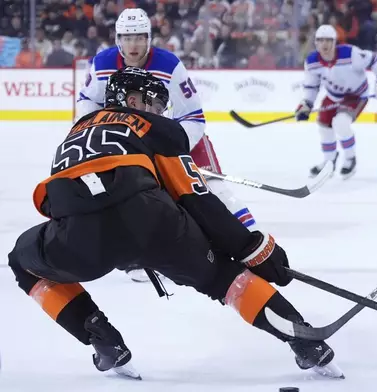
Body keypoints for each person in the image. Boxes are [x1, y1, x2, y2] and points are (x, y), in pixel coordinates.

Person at [8, 67, 342, 380]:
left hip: (79, 237)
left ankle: (100, 336)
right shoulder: (159, 129)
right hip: (152, 223)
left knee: (22, 262)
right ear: (133, 100)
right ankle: (303, 337)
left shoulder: (74, 132)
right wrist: (253, 249)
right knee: (223, 277)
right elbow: (195, 198)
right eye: (153, 101)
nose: (159, 110)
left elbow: (62, 203)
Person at [76, 8, 257, 282]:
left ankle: (255, 243)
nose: (133, 45)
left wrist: (171, 145)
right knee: (138, 200)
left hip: (176, 137)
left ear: (148, 38)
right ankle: (144, 257)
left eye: (139, 37)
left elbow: (194, 116)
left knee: (215, 190)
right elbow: (87, 101)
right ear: (117, 39)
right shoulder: (102, 63)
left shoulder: (169, 64)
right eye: (127, 38)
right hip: (132, 146)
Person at [295, 24, 377, 180]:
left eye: (328, 40)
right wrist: (306, 104)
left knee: (341, 122)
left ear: (335, 42)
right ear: (316, 42)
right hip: (334, 96)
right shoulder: (312, 62)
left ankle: (349, 158)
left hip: (356, 96)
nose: (324, 44)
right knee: (323, 124)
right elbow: (312, 86)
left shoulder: (350, 54)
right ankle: (329, 162)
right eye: (320, 40)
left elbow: (374, 59)